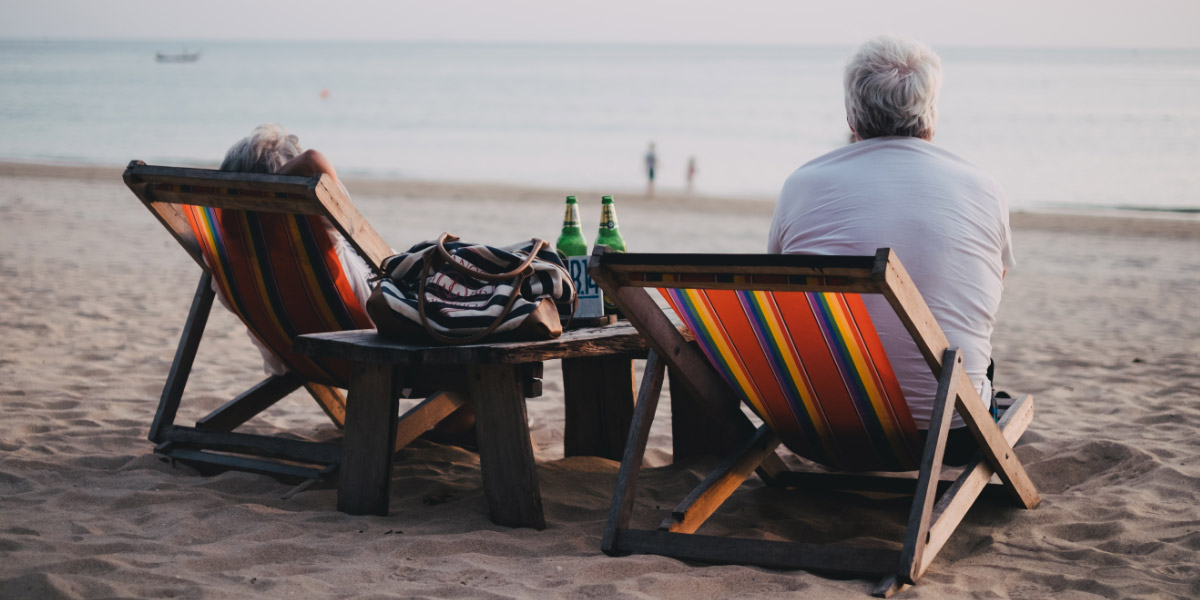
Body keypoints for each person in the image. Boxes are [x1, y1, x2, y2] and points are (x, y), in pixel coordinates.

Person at [767, 35, 1015, 465]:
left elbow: (775, 293)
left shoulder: (801, 186)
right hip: (950, 433)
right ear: (931, 115)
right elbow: (994, 288)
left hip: (818, 429)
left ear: (850, 117)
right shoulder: (984, 188)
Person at [218, 123, 375, 375]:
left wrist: (246, 200)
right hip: (378, 347)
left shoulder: (222, 251)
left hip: (292, 356)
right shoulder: (319, 234)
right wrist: (278, 192)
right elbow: (313, 161)